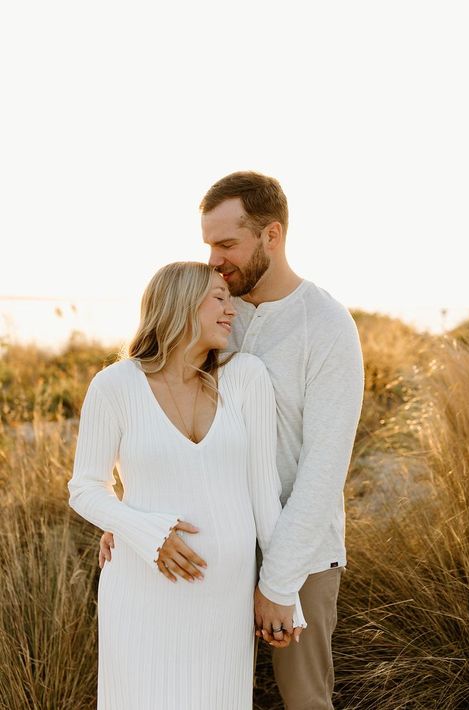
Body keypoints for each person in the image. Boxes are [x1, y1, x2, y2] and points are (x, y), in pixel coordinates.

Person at [99, 171, 365, 709]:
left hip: (301, 555)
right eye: (209, 246)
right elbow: (161, 403)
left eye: (227, 244)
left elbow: (323, 468)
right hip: (212, 543)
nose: (216, 259)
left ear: (272, 235)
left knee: (302, 699)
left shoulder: (327, 326)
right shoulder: (215, 307)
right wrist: (128, 514)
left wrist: (279, 581)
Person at [68, 261, 306, 710]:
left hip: (226, 598)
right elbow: (85, 487)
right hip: (141, 591)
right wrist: (145, 533)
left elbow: (264, 494)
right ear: (180, 304)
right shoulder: (114, 386)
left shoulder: (246, 378)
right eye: (219, 298)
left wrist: (283, 591)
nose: (230, 311)